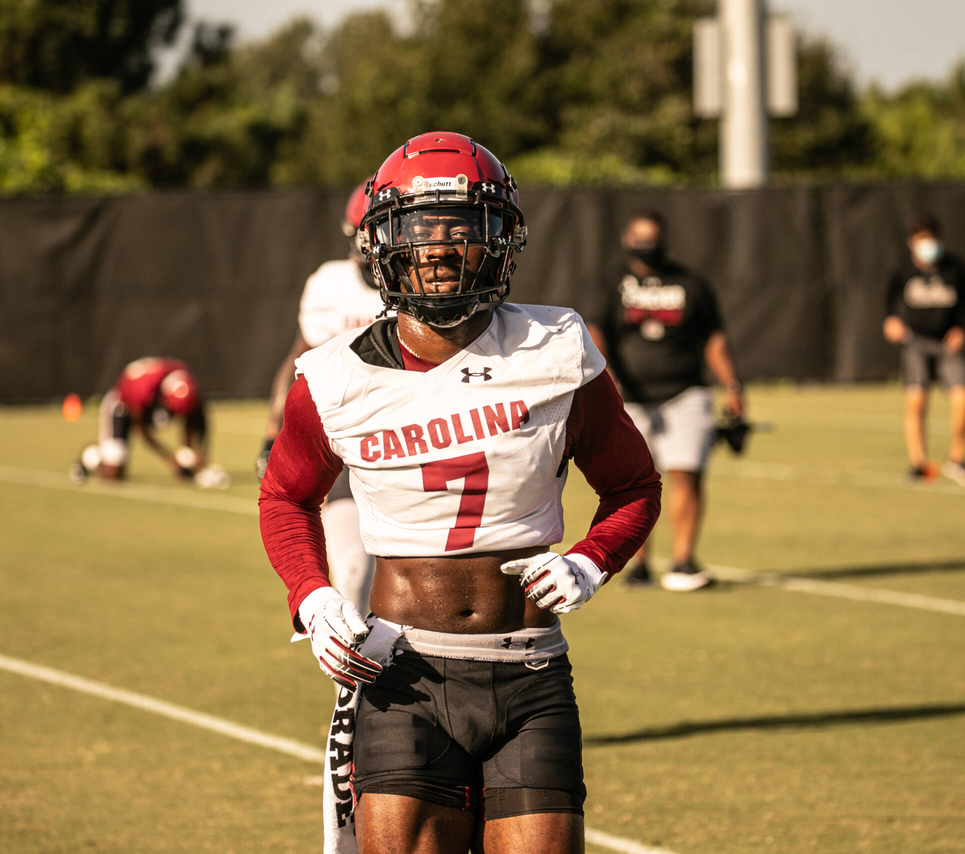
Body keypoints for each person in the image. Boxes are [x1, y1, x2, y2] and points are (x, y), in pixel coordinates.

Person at [259, 132, 661, 854]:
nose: (441, 250)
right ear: (382, 244)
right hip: (402, 673)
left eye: (464, 230)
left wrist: (591, 560)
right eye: (421, 231)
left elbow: (633, 485)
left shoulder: (555, 347)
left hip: (531, 668)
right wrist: (312, 598)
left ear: (502, 240)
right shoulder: (334, 376)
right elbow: (285, 497)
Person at [585, 212, 743, 591]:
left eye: (653, 238)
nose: (647, 245)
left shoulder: (690, 283)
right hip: (630, 400)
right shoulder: (611, 283)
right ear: (626, 239)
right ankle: (638, 565)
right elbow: (595, 330)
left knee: (686, 472)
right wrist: (607, 378)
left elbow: (713, 338)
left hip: (685, 391)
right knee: (634, 481)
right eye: (640, 238)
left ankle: (683, 562)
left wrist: (732, 385)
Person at [256, 181, 385, 615]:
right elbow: (302, 361)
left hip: (418, 439)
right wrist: (273, 432)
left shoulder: (432, 290)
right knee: (352, 572)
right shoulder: (332, 284)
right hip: (350, 440)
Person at [883, 213, 965, 485]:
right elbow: (887, 299)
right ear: (911, 242)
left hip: (947, 343)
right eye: (921, 240)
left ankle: (957, 459)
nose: (927, 245)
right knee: (916, 400)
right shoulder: (902, 269)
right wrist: (891, 320)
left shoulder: (955, 268)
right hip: (915, 342)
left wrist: (961, 329)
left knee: (963, 399)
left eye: (931, 239)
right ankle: (919, 463)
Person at [71, 357, 227, 488]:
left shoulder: (189, 385)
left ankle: (187, 461)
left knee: (189, 433)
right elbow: (143, 432)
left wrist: (200, 454)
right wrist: (171, 459)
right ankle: (90, 455)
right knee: (113, 475)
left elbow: (200, 419)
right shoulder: (143, 391)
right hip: (121, 407)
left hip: (150, 407)